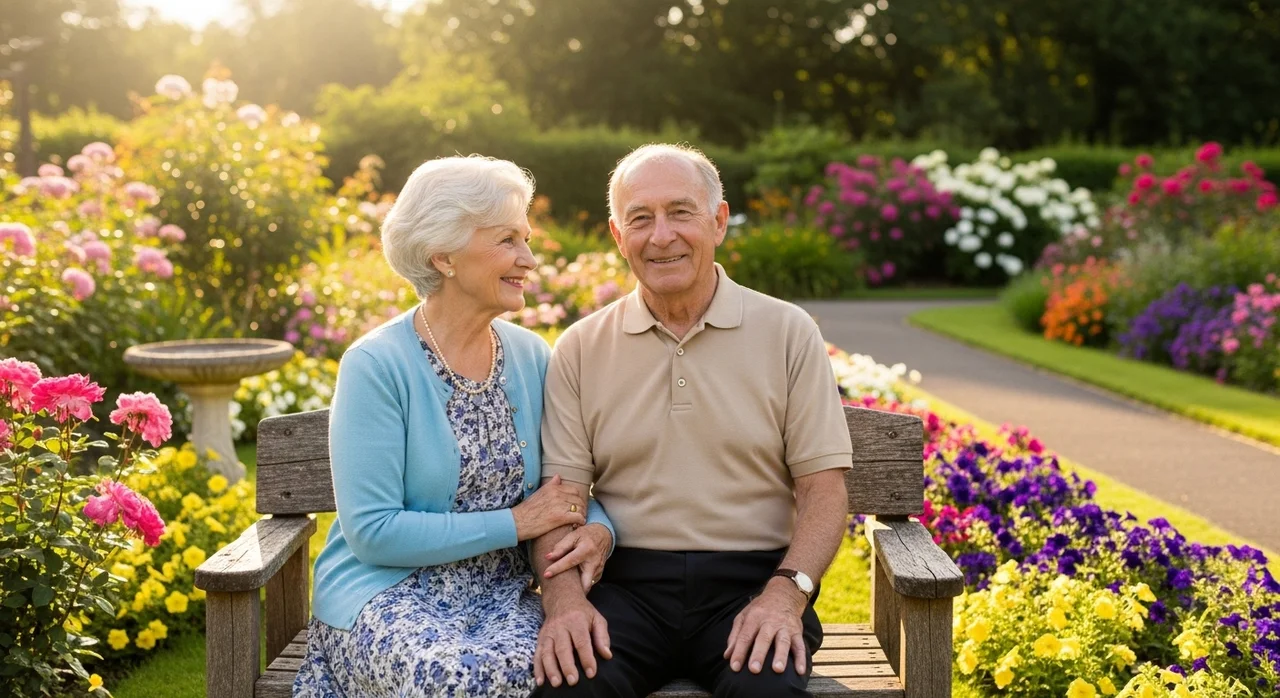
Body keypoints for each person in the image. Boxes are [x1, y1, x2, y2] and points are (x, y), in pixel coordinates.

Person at [530, 144, 853, 697]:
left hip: (753, 584)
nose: (661, 236)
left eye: (681, 212)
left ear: (719, 221)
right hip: (622, 585)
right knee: (570, 688)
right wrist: (563, 604)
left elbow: (824, 491)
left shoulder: (787, 331)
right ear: (617, 235)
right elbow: (560, 500)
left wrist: (786, 595)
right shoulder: (581, 346)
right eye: (640, 219)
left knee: (766, 693)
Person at [294, 155, 616, 698]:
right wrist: (515, 524)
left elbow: (565, 482)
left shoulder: (532, 357)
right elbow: (372, 532)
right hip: (384, 592)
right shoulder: (376, 364)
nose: (529, 259)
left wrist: (602, 529)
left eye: (526, 239)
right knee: (446, 677)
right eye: (508, 240)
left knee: (552, 671)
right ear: (442, 254)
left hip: (499, 594)